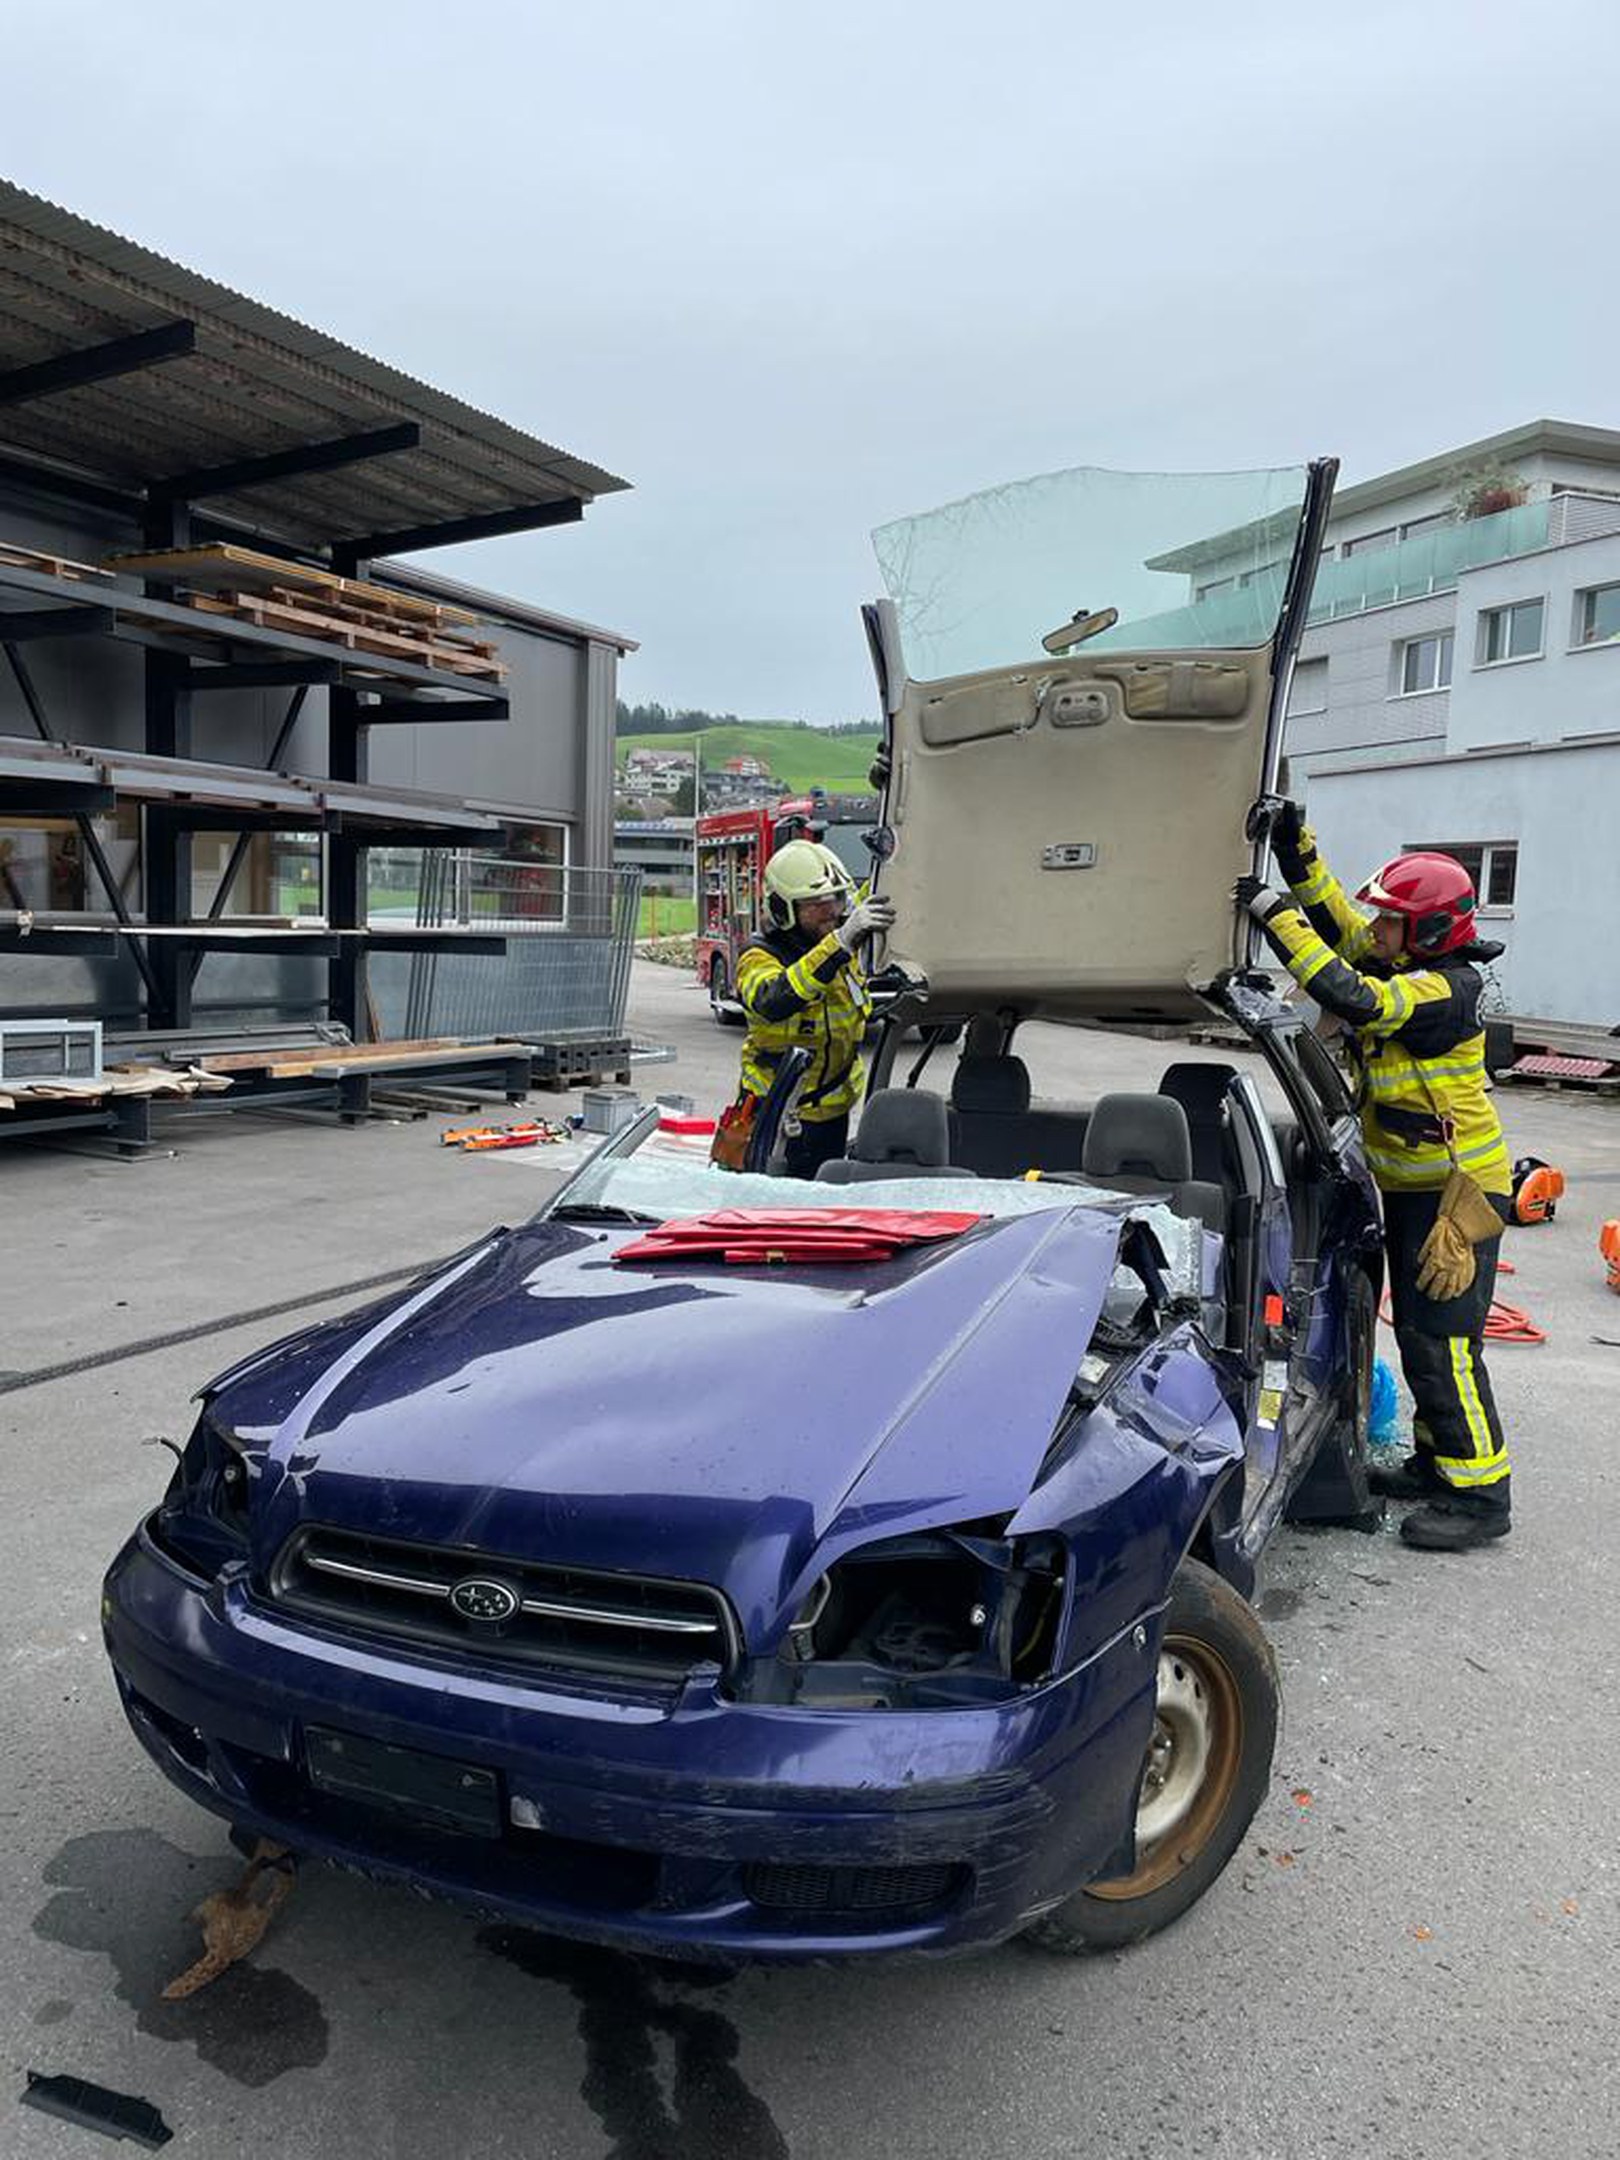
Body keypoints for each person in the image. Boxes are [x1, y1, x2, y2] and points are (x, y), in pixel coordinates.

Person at [1235, 801, 1513, 1552]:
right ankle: (1439, 1465)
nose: (1377, 930)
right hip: (1414, 1190)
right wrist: (1294, 852)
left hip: (1455, 1197)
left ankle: (1481, 1495)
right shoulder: (1405, 959)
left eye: (1391, 921)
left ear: (1429, 931)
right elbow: (1338, 925)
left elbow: (1349, 993)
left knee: (1445, 1344)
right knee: (1421, 1336)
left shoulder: (1443, 991)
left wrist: (1270, 915)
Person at [724, 838, 895, 1178]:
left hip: (833, 1113)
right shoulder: (759, 956)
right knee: (769, 1205)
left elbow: (873, 897)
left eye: (836, 899)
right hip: (773, 1116)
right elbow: (773, 1000)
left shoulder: (837, 939)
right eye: (816, 904)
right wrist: (840, 943)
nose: (831, 911)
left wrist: (891, 861)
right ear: (782, 909)